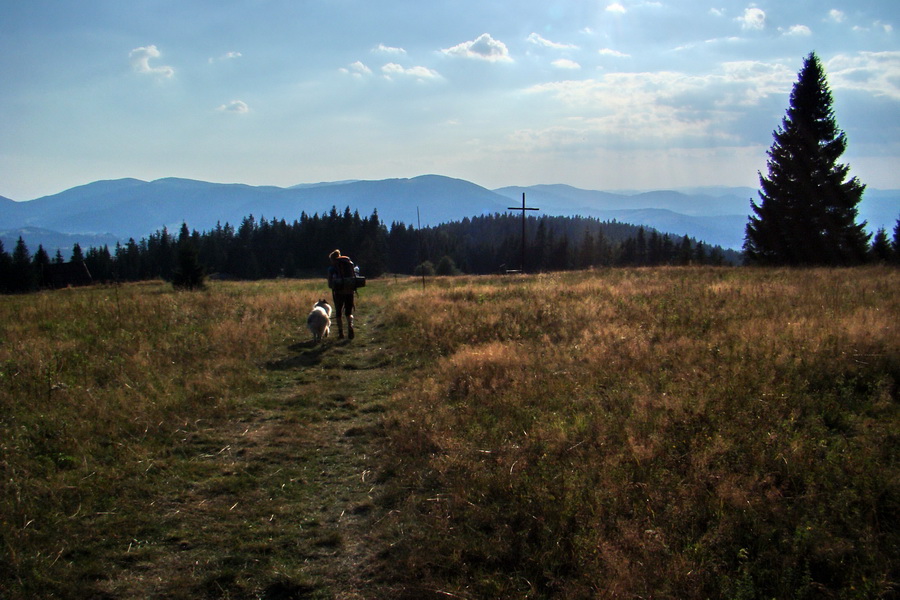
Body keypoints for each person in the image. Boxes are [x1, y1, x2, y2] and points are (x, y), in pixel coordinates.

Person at [327, 249, 355, 339]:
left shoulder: (332, 269)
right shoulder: (348, 264)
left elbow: (330, 284)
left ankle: (341, 333)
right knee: (348, 312)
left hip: (339, 293)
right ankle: (350, 327)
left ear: (332, 259)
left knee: (338, 313)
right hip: (350, 292)